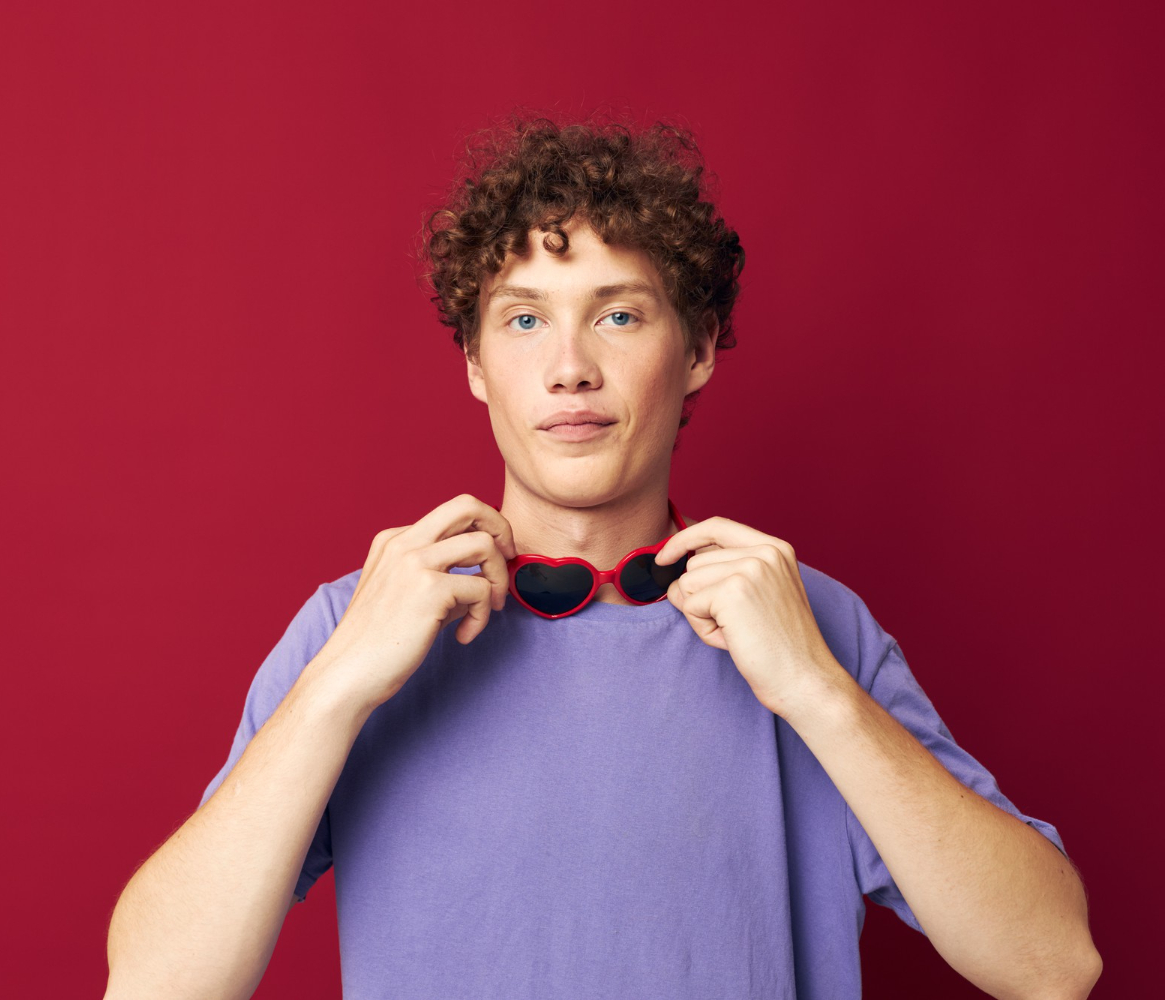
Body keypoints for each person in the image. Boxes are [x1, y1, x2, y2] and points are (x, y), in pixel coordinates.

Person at [103, 113, 1102, 1000]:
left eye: (618, 315)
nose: (570, 365)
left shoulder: (815, 624)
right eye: (524, 319)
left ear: (699, 348)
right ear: (476, 365)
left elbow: (1053, 964)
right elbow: (154, 983)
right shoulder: (353, 625)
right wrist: (335, 692)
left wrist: (818, 694)